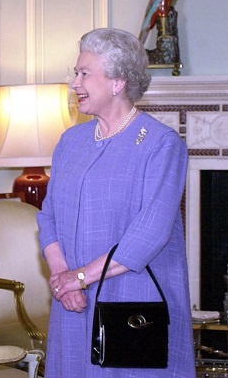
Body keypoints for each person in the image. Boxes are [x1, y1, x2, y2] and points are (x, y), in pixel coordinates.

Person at [37, 28, 195, 377]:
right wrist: (62, 277)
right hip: (74, 302)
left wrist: (79, 277)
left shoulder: (161, 144)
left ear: (118, 82)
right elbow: (48, 217)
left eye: (84, 74)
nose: (75, 83)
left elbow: (150, 233)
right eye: (76, 73)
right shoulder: (70, 141)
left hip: (133, 299)